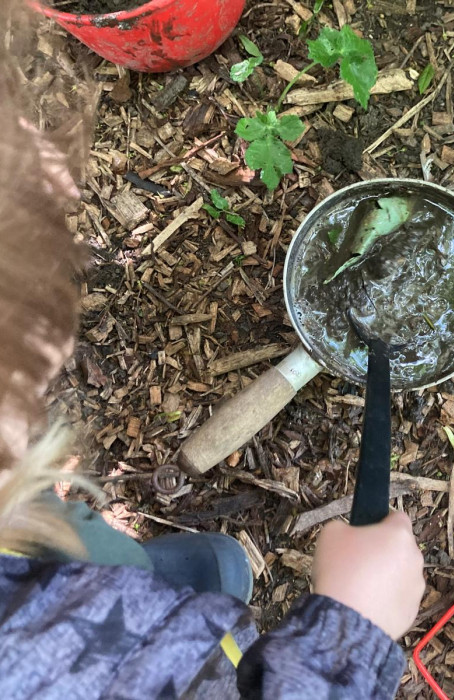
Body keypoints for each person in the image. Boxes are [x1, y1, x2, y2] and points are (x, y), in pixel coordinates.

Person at [0, 3, 426, 698]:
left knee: (130, 562)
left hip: (60, 564)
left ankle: (185, 575)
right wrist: (349, 633)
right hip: (162, 653)